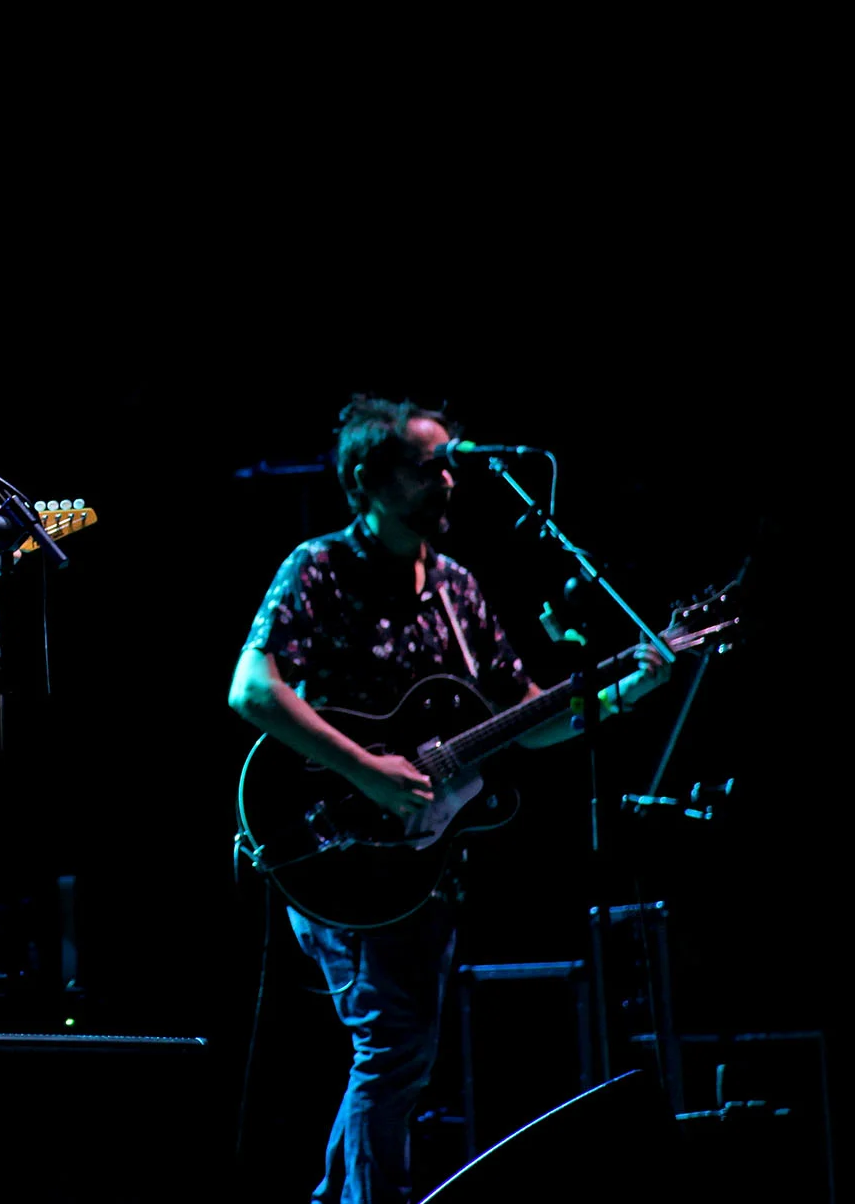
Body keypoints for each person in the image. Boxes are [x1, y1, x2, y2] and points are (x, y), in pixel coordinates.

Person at [228, 396, 668, 1204]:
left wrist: (629, 688)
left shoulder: (458, 588)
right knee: (393, 1046)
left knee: (399, 1049)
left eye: (451, 464)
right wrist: (366, 768)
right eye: (429, 466)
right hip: (334, 842)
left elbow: (523, 717)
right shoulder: (319, 568)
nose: (450, 481)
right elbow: (251, 690)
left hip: (423, 861)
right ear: (368, 479)